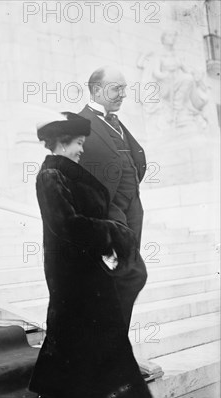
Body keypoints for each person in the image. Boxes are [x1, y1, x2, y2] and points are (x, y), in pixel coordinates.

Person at [28, 112, 164, 398]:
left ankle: (52, 384)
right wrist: (112, 233)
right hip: (69, 268)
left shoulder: (67, 173)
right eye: (78, 142)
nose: (82, 149)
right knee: (107, 327)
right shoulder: (51, 176)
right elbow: (66, 224)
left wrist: (113, 231)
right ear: (61, 143)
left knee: (68, 326)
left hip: (81, 264)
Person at [78, 67, 148, 332]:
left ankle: (116, 350)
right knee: (126, 276)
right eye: (116, 88)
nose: (123, 94)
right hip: (108, 213)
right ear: (97, 90)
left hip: (132, 209)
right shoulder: (78, 123)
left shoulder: (116, 122)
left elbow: (132, 160)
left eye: (124, 88)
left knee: (125, 279)